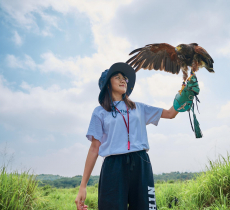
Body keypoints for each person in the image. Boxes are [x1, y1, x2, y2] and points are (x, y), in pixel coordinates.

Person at [75, 62, 179, 210]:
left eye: (124, 78)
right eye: (117, 77)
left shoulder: (139, 107)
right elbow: (94, 148)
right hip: (113, 167)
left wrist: (183, 96)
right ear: (107, 85)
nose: (123, 80)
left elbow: (170, 114)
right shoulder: (100, 112)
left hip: (141, 163)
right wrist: (83, 185)